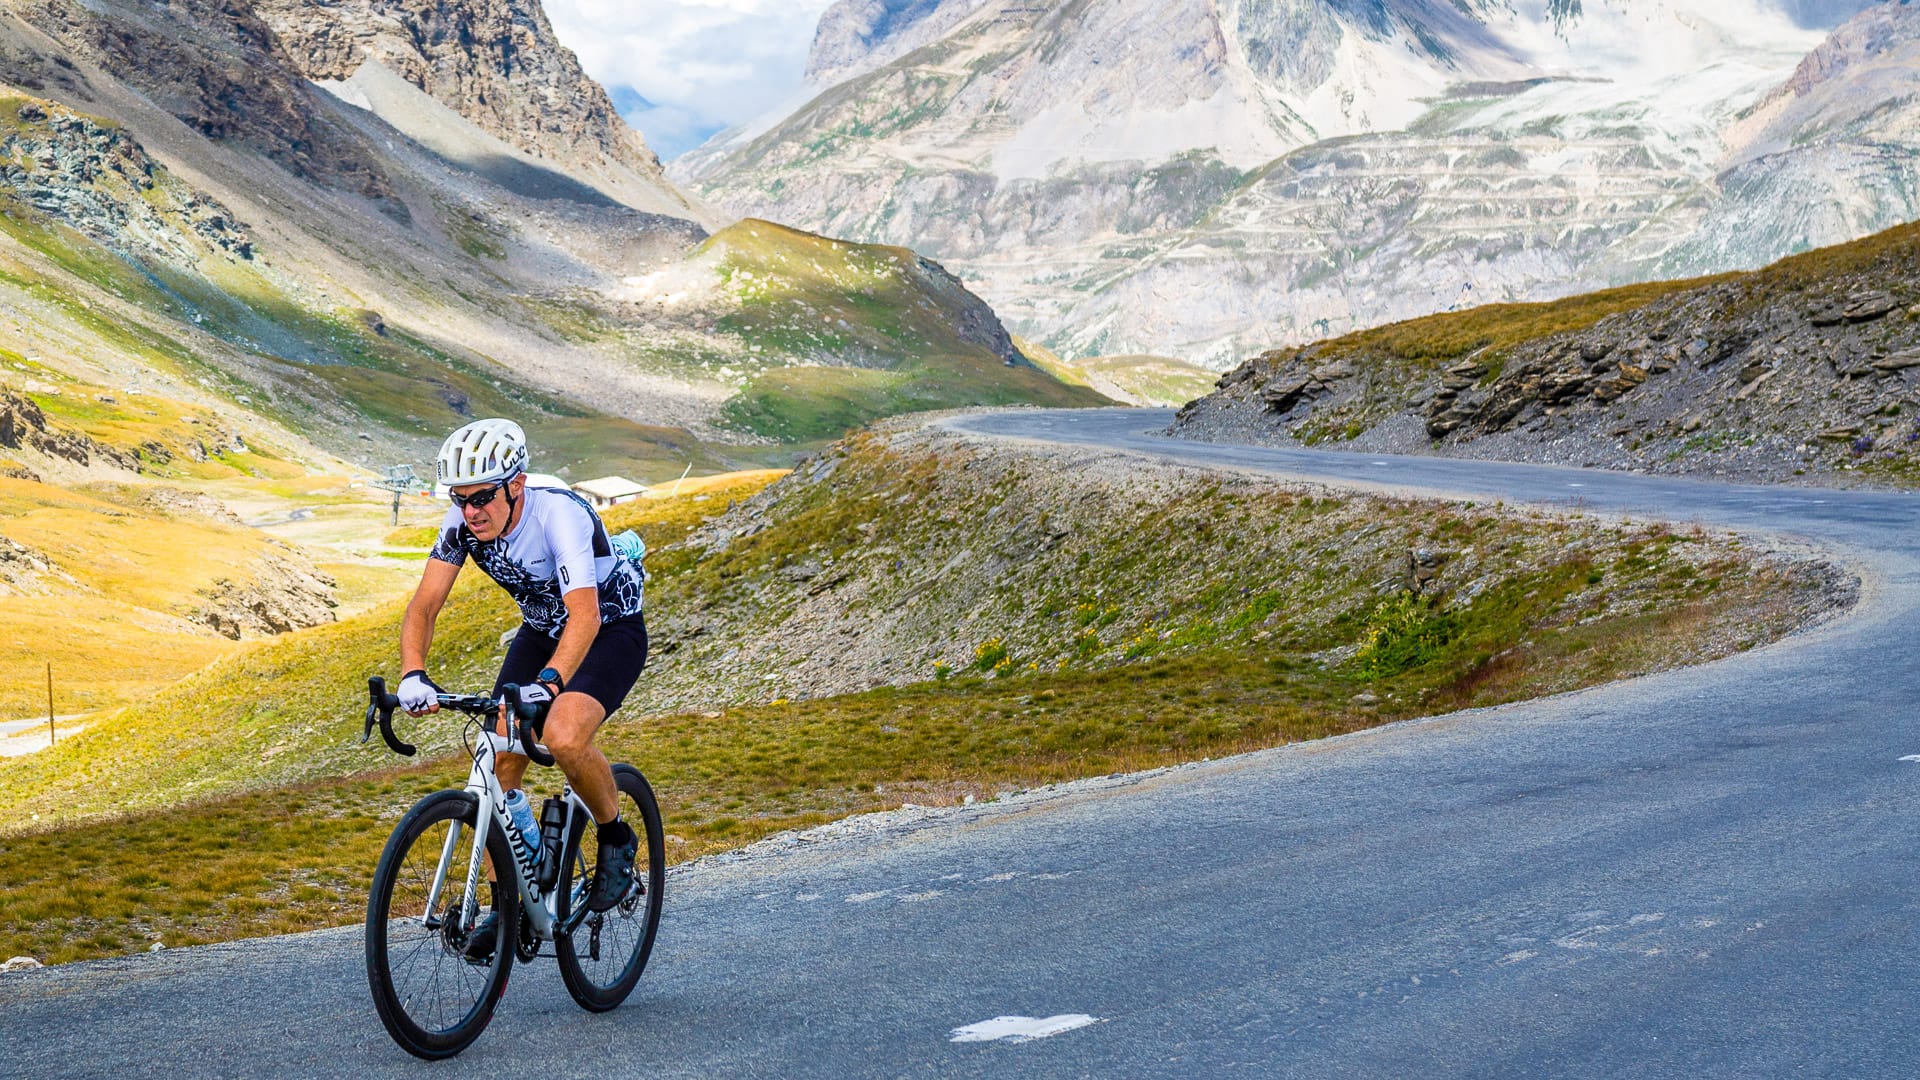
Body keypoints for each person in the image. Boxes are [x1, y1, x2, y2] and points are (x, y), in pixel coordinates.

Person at [396, 418, 648, 950]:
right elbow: (423, 606)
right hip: (541, 628)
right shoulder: (462, 522)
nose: (471, 512)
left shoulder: (560, 514)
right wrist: (413, 674)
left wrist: (551, 684)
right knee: (493, 762)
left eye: (482, 497)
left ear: (517, 483)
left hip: (607, 626)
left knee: (561, 735)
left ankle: (616, 838)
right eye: (460, 499)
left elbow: (585, 615)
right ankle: (508, 900)